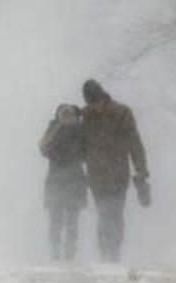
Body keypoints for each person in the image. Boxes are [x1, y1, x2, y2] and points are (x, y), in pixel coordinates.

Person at [80, 79, 149, 262]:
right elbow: (80, 144)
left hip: (118, 173)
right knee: (103, 213)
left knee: (115, 213)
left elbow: (135, 144)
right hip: (96, 175)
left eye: (96, 102)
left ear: (102, 97)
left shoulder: (121, 113)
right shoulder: (85, 115)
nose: (95, 107)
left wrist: (141, 171)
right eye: (91, 103)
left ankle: (114, 251)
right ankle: (104, 251)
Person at [39, 104, 87, 260]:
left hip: (74, 180)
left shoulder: (80, 131)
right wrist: (57, 129)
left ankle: (70, 253)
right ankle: (55, 251)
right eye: (64, 116)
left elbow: (87, 152)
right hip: (56, 180)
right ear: (58, 116)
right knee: (56, 218)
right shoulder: (54, 129)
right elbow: (43, 148)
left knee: (72, 219)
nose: (67, 119)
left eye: (70, 116)